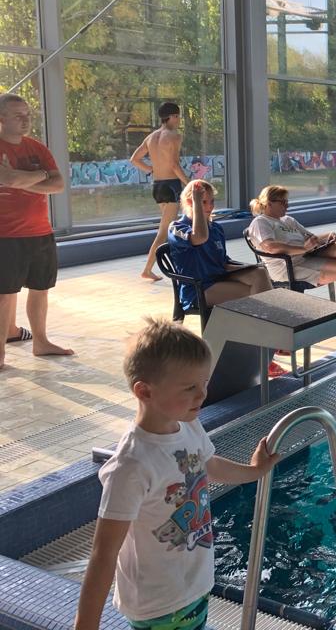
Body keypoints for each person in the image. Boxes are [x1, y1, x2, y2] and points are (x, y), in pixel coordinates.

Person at [73, 319, 280, 630]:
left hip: (193, 586)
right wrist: (85, 624)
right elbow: (104, 553)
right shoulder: (132, 465)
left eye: (204, 382)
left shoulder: (187, 425)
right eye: (189, 388)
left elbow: (208, 466)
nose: (203, 394)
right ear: (145, 391)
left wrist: (254, 471)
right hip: (158, 604)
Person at [249, 186, 336, 339]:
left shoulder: (288, 220)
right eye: (283, 202)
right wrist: (302, 248)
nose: (287, 206)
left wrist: (327, 236)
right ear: (269, 203)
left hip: (305, 258)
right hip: (287, 267)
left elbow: (310, 238)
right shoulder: (261, 222)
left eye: (287, 202)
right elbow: (270, 246)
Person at [0, 93, 74, 370]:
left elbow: (58, 184)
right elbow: (6, 178)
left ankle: (40, 342)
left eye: (27, 114)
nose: (25, 120)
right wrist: (41, 175)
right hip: (6, 235)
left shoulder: (37, 148)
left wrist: (22, 178)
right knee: (4, 294)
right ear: (1, 118)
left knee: (40, 289)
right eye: (18, 115)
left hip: (40, 232)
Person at [167, 180, 273, 311]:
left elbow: (222, 262)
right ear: (190, 202)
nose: (210, 207)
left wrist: (247, 268)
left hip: (219, 277)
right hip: (198, 288)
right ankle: (266, 319)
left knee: (260, 273)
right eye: (203, 202)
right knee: (254, 292)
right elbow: (200, 237)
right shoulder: (177, 227)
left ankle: (267, 318)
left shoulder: (216, 228)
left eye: (212, 201)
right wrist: (197, 203)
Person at [131, 102, 190, 282]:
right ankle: (147, 269)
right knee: (164, 232)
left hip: (157, 186)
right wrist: (189, 183)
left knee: (169, 228)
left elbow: (134, 159)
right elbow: (174, 165)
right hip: (171, 186)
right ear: (172, 117)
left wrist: (151, 169)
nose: (179, 120)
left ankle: (176, 265)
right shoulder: (173, 136)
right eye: (178, 117)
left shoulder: (151, 137)